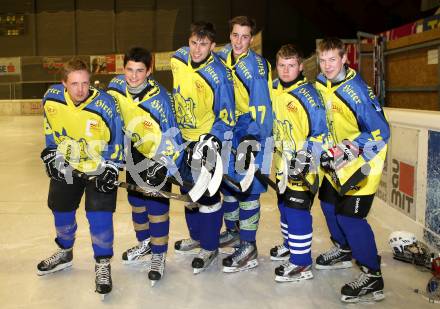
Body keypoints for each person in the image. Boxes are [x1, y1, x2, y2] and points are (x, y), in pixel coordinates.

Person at [37, 58, 123, 297]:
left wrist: (112, 167)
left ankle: (103, 264)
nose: (81, 90)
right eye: (74, 84)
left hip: (98, 168)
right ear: (63, 83)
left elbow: (118, 139)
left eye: (85, 83)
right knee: (61, 210)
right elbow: (50, 129)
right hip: (67, 165)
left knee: (99, 217)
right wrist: (51, 153)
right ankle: (65, 252)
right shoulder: (51, 98)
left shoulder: (105, 104)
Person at [315, 37, 390, 303]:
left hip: (362, 163)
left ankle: (372, 274)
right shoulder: (321, 83)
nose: (327, 66)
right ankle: (344, 248)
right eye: (322, 60)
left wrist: (348, 150)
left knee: (350, 218)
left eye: (332, 59)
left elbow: (382, 132)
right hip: (336, 162)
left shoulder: (355, 92)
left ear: (345, 58)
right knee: (326, 204)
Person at [107, 47, 183, 285]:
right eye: (129, 69)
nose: (133, 76)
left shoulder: (161, 99)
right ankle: (145, 245)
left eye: (140, 70)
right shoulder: (115, 87)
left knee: (156, 208)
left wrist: (165, 166)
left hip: (156, 157)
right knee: (137, 203)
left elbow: (174, 137)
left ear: (149, 70)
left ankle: (159, 254)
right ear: (123, 68)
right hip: (132, 154)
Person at [171, 21, 235, 273]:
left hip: (204, 142)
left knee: (208, 196)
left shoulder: (218, 75)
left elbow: (227, 115)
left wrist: (212, 142)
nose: (197, 49)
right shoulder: (178, 58)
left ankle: (209, 246)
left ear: (213, 46)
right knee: (190, 194)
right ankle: (197, 237)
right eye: (194, 43)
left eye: (204, 44)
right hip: (181, 140)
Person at [217, 16, 273, 273]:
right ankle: (233, 233)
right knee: (229, 184)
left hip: (253, 132)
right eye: (236, 35)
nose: (239, 41)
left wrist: (253, 139)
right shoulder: (222, 56)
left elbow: (262, 108)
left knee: (248, 190)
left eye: (245, 36)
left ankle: (248, 246)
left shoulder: (257, 67)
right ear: (229, 35)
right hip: (231, 129)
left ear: (252, 39)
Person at [271, 44, 326, 282]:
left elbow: (320, 133)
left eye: (291, 65)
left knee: (297, 211)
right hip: (281, 162)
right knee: (284, 206)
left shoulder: (309, 95)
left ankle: (302, 263)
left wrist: (306, 161)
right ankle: (291, 246)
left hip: (304, 164)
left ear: (301, 66)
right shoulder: (273, 88)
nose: (285, 70)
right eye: (282, 65)